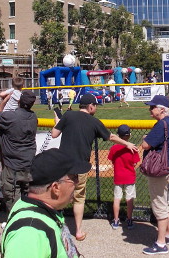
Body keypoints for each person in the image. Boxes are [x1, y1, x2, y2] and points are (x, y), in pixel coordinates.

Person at [51, 93, 137, 242]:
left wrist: (57, 120)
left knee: (59, 195)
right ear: (90, 106)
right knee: (79, 199)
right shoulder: (94, 121)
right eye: (95, 106)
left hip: (62, 165)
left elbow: (54, 134)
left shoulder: (68, 115)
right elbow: (110, 137)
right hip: (81, 167)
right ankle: (78, 231)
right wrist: (127, 143)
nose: (96, 108)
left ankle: (55, 227)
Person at [0, 148, 91, 258]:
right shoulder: (29, 233)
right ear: (56, 188)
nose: (77, 183)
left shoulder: (44, 211)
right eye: (74, 178)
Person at [141, 95, 169, 255]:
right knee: (164, 202)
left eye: (153, 107)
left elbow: (145, 145)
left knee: (159, 204)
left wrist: (145, 139)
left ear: (162, 109)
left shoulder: (161, 124)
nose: (150, 109)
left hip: (160, 169)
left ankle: (160, 243)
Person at [0, 90, 38, 212]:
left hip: (12, 165)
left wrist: (4, 101)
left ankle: (17, 224)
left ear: (19, 101)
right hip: (28, 163)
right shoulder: (33, 117)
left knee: (13, 200)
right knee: (27, 198)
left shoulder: (11, 117)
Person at [108, 124, 140, 230]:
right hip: (129, 176)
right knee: (129, 198)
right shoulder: (133, 148)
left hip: (118, 176)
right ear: (129, 135)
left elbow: (112, 160)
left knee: (117, 198)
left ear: (118, 135)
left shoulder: (114, 148)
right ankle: (129, 220)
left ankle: (116, 221)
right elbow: (135, 163)